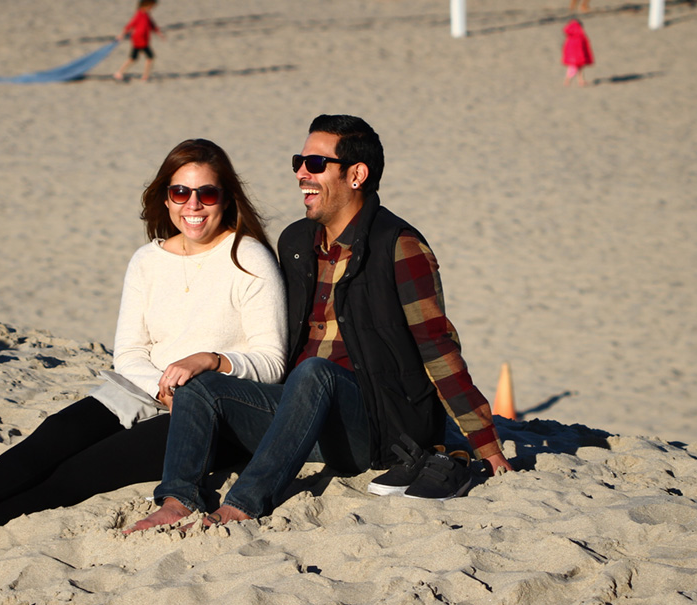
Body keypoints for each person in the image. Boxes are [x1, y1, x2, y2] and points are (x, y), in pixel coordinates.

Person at [0, 139, 287, 549]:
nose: (193, 205)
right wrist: (162, 388)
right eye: (180, 192)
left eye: (206, 194)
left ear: (226, 197)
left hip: (215, 411)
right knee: (57, 435)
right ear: (165, 197)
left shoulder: (248, 257)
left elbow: (272, 363)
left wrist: (207, 362)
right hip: (141, 391)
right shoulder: (148, 261)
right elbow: (129, 352)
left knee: (88, 469)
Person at [126, 114, 512, 532]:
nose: (300, 173)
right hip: (297, 416)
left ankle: (244, 503)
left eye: (314, 164)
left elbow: (437, 345)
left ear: (356, 175)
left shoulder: (400, 247)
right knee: (199, 384)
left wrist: (483, 440)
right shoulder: (296, 242)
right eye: (299, 161)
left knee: (315, 373)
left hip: (375, 426)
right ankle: (177, 499)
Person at [113, 0, 162, 83]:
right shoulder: (139, 15)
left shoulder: (146, 15)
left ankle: (142, 76)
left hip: (142, 41)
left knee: (134, 58)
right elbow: (130, 25)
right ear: (145, 6)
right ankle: (144, 76)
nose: (151, 9)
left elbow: (151, 24)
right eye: (151, 7)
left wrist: (158, 32)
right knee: (148, 58)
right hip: (139, 41)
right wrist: (122, 35)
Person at [562, 18, 594, 88]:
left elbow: (566, 47)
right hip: (578, 56)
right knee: (576, 68)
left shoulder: (570, 36)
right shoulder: (580, 36)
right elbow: (584, 46)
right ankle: (572, 81)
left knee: (574, 68)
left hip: (573, 56)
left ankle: (575, 80)